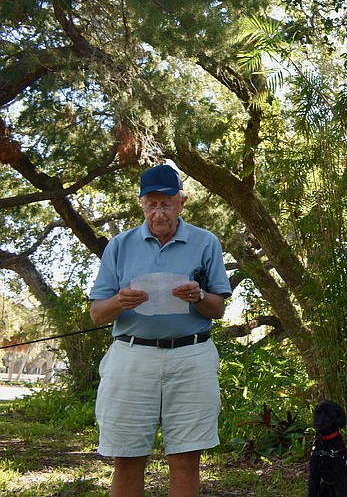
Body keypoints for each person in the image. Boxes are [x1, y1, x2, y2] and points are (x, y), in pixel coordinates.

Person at [89, 164, 232, 497]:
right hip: (131, 357)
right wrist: (119, 303)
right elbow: (97, 313)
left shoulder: (206, 243)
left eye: (166, 203)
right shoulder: (120, 246)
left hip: (191, 357)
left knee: (185, 459)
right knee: (127, 458)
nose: (158, 212)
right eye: (151, 203)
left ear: (181, 203)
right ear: (141, 203)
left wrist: (198, 296)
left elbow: (218, 309)